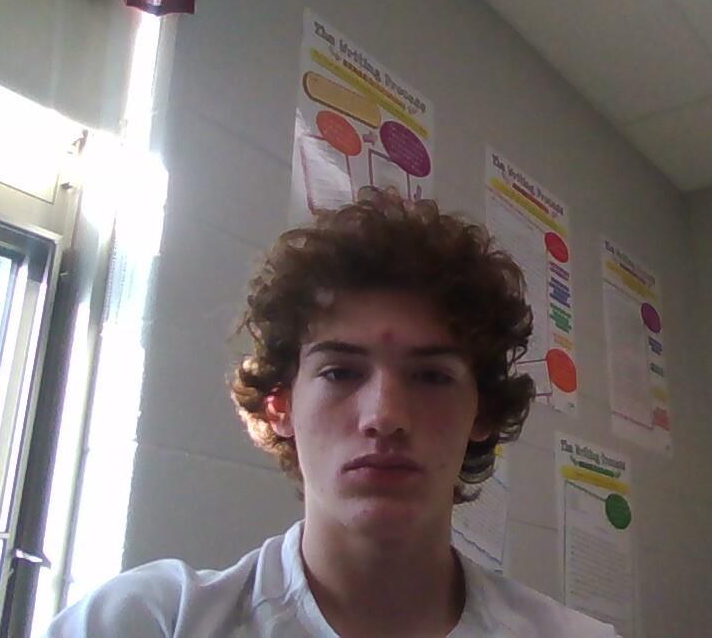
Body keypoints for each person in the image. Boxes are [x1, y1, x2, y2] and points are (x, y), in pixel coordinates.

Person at [46, 188, 619, 637]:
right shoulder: (149, 621)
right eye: (341, 373)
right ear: (280, 405)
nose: (385, 416)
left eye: (431, 377)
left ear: (483, 414)